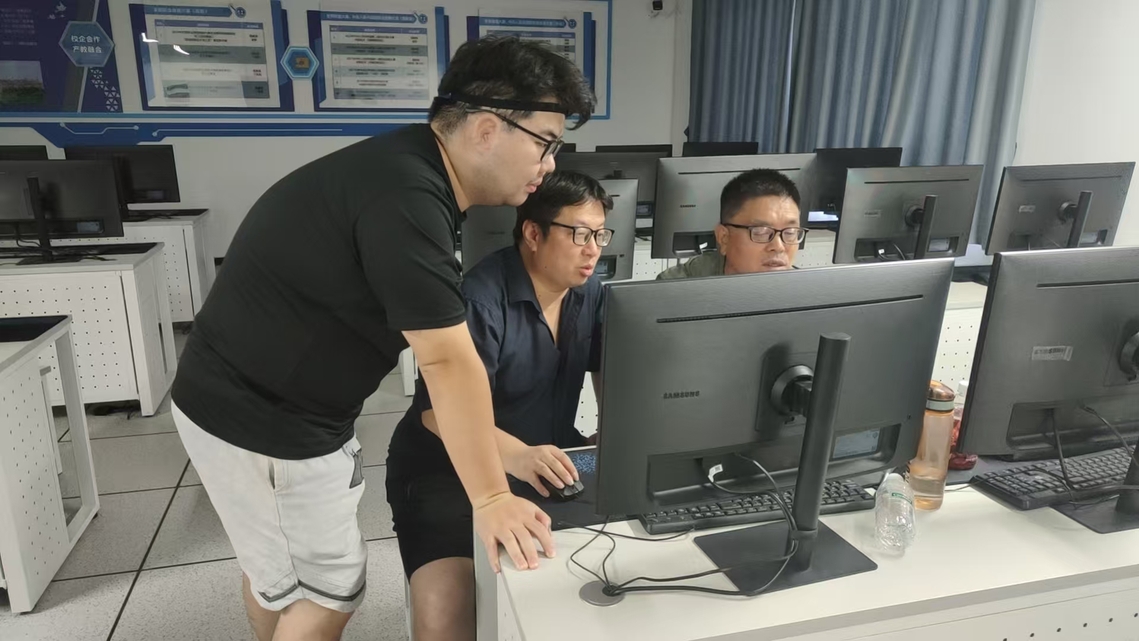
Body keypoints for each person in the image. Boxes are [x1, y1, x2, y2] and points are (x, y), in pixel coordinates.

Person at [168, 36, 595, 641]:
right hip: (264, 419)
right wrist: (492, 498)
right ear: (486, 129)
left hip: (247, 400)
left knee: (279, 575)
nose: (550, 164)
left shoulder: (407, 168)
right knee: (327, 592)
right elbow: (447, 361)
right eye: (545, 143)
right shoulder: (407, 195)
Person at [386, 170, 610, 641]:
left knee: (592, 573)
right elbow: (436, 412)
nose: (593, 250)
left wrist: (612, 426)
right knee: (448, 610)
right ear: (533, 233)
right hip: (445, 470)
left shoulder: (589, 293)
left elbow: (608, 366)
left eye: (600, 235)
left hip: (543, 456)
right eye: (579, 234)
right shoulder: (480, 300)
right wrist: (518, 456)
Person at [657, 168, 806, 280]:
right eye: (761, 232)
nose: (779, 247)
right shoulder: (676, 289)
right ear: (724, 238)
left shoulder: (808, 294)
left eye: (790, 232)